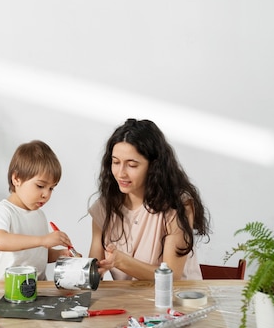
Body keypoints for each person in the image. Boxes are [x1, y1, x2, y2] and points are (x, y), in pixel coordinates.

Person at [88, 119, 210, 281]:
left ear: (153, 166)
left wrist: (121, 261)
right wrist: (82, 268)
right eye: (116, 162)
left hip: (178, 301)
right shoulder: (104, 207)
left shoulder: (178, 205)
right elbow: (94, 270)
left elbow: (171, 276)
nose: (120, 173)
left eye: (131, 165)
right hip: (130, 303)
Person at [0, 140, 73, 281]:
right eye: (40, 186)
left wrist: (60, 254)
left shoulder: (39, 215)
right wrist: (43, 240)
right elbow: (0, 241)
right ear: (16, 179)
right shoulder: (4, 211)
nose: (46, 194)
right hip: (4, 291)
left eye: (51, 188)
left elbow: (37, 254)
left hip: (35, 290)